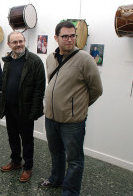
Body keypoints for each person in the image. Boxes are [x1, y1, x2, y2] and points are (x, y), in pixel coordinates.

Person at [39, 21, 103, 196]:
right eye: (65, 36)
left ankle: (70, 192)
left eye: (72, 36)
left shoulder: (85, 59)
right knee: (56, 153)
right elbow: (52, 82)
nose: (69, 39)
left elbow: (97, 89)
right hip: (51, 117)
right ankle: (56, 179)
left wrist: (77, 107)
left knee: (74, 160)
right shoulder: (50, 58)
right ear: (56, 38)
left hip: (72, 122)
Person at [0, 31, 46, 182]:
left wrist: (34, 112)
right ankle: (16, 161)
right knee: (12, 137)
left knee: (26, 140)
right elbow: (4, 85)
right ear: (9, 44)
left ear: (25, 41)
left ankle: (28, 167)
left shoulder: (35, 61)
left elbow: (39, 89)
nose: (18, 44)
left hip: (25, 109)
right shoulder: (8, 60)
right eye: (14, 42)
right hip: (10, 107)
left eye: (20, 41)